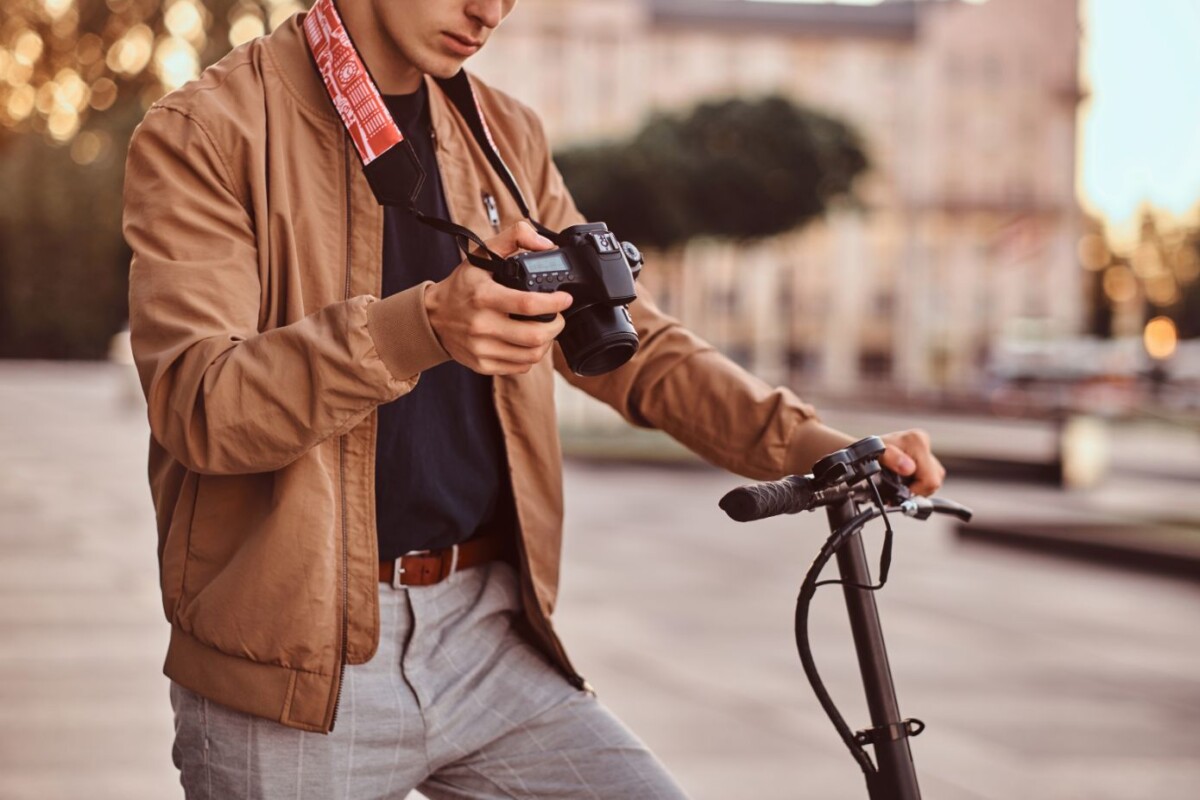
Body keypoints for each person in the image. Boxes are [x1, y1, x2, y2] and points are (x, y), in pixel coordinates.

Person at [123, 0, 945, 797]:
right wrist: (423, 328)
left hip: (489, 639)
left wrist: (818, 445)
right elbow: (201, 405)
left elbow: (629, 344)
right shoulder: (209, 131)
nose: (493, 11)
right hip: (291, 666)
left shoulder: (504, 135)